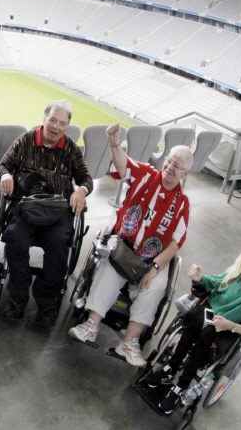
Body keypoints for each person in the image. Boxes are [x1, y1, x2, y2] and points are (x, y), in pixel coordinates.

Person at [68, 123, 192, 365]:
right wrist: (114, 143)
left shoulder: (183, 204)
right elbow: (124, 166)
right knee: (108, 268)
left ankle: (129, 343)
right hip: (125, 246)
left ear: (185, 174)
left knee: (155, 288)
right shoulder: (146, 174)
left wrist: (156, 267)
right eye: (169, 162)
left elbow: (176, 243)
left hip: (152, 260)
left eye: (177, 167)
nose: (169, 168)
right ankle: (91, 324)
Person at [148, 239, 241, 414]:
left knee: (206, 335)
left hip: (225, 328)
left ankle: (181, 385)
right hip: (207, 312)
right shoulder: (237, 273)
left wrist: (231, 325)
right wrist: (199, 278)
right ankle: (172, 367)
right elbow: (212, 282)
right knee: (194, 319)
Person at [0, 100, 93, 325]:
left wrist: (82, 191)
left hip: (57, 209)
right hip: (27, 206)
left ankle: (46, 301)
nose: (56, 127)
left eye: (62, 123)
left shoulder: (70, 148)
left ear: (67, 126)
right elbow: (2, 166)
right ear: (44, 119)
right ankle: (18, 296)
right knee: (15, 237)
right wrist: (6, 176)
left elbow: (85, 178)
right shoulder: (26, 140)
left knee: (59, 242)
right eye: (52, 121)